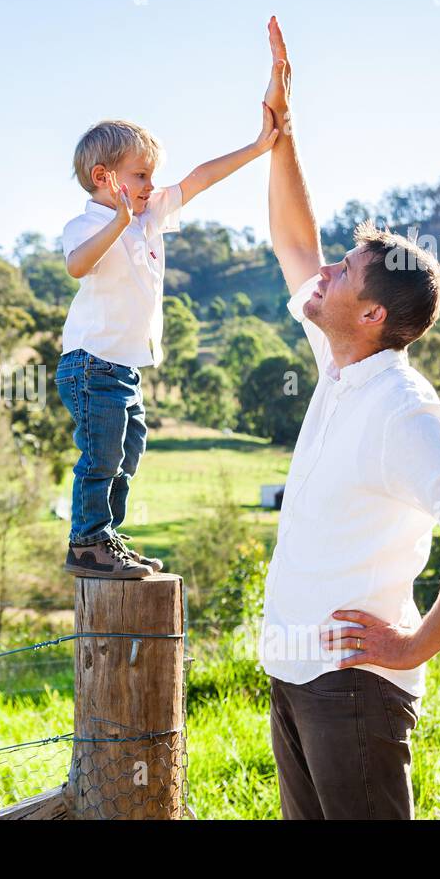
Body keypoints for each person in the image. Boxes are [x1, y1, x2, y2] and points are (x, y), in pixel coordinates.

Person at [259, 16, 440, 819]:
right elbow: (294, 239)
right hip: (296, 678)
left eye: (347, 270)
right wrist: (281, 129)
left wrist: (414, 645)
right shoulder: (340, 369)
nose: (328, 270)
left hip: (354, 695)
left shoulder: (404, 411)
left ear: (372, 315)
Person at [57, 114, 278, 578]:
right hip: (90, 362)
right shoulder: (86, 225)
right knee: (102, 455)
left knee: (127, 452)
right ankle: (86, 543)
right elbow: (78, 266)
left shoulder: (148, 215)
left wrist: (258, 147)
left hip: (123, 367)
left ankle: (105, 538)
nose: (150, 185)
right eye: (141, 175)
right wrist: (119, 220)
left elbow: (198, 179)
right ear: (104, 177)